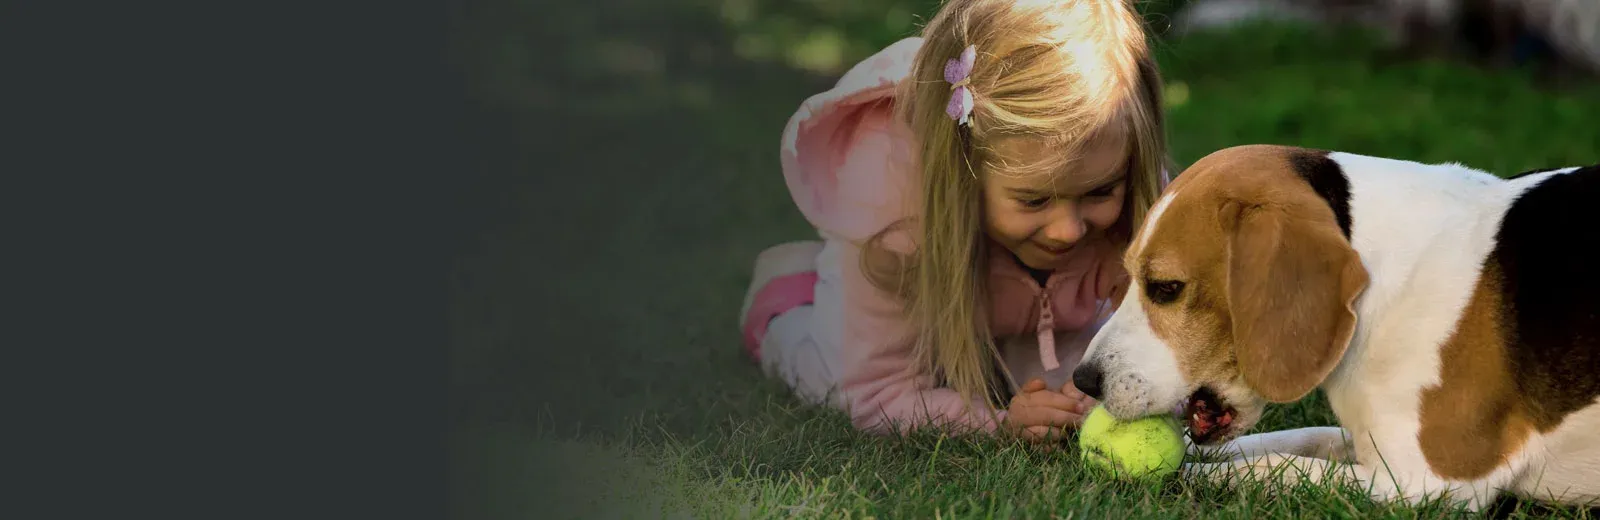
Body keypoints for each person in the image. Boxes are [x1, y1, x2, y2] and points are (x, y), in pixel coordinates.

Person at [739, 0, 1175, 443]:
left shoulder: (1135, 193)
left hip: (1039, 313)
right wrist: (999, 425)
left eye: (1101, 191)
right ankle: (783, 302)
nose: (1069, 230)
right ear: (964, 171)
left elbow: (1163, 352)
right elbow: (875, 394)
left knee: (1056, 377)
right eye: (1033, 199)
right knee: (827, 381)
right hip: (911, 300)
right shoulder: (892, 225)